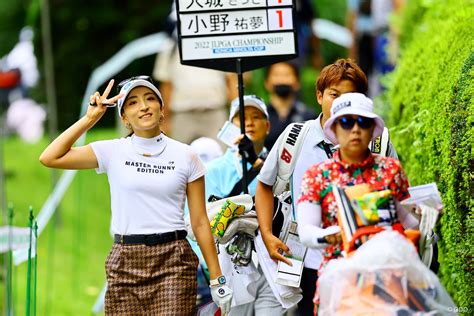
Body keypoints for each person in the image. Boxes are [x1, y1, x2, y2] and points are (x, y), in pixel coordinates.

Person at [38, 76, 232, 315]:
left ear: (162, 108)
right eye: (133, 102)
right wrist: (90, 119)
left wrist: (216, 277)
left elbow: (200, 221)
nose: (143, 106)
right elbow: (50, 157)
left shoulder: (186, 155)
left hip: (173, 259)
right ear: (124, 116)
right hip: (125, 260)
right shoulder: (112, 150)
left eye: (150, 99)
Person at [255, 58, 398, 316]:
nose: (341, 103)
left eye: (351, 95)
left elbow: (397, 198)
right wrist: (267, 234)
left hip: (366, 260)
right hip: (305, 260)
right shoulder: (295, 137)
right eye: (334, 94)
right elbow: (265, 184)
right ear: (319, 96)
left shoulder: (378, 141)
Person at [296, 92, 419, 311]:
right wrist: (329, 235)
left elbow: (409, 221)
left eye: (363, 122)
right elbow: (306, 232)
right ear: (334, 129)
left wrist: (425, 214)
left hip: (389, 280)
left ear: (373, 129)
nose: (355, 129)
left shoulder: (390, 170)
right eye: (346, 122)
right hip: (340, 282)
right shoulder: (317, 176)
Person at [204, 95, 289, 315]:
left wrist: (255, 161)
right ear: (229, 126)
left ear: (268, 126)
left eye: (256, 117)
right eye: (240, 118)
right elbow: (201, 222)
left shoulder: (281, 166)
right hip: (232, 268)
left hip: (272, 264)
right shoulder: (214, 170)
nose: (248, 123)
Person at [263, 61, 316, 150]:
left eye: (287, 75)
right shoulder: (261, 116)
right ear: (267, 83)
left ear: (297, 83)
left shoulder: (308, 116)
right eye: (276, 75)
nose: (282, 79)